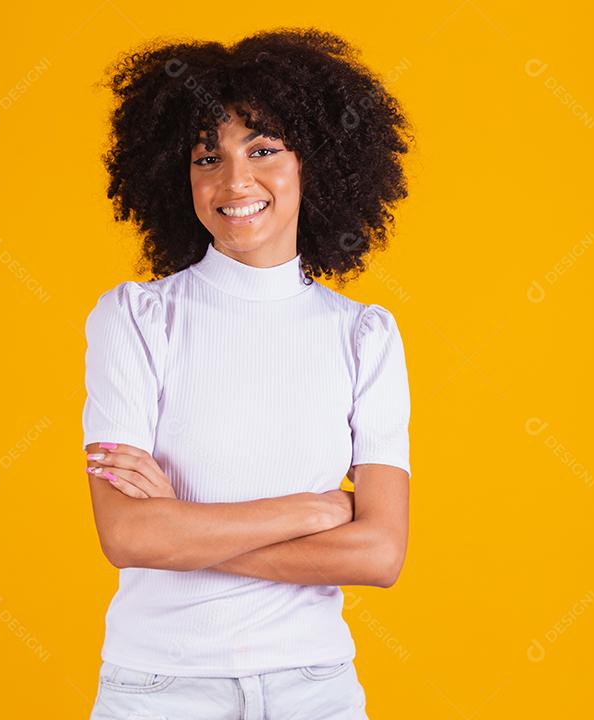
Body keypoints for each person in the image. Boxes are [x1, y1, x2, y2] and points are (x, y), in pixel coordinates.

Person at [81, 27, 415, 719]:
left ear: (313, 164)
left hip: (314, 689)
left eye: (263, 150)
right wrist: (315, 512)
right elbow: (128, 538)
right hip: (160, 689)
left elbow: (379, 553)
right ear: (182, 177)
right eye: (209, 158)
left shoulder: (365, 336)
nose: (235, 181)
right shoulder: (137, 319)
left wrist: (184, 530)